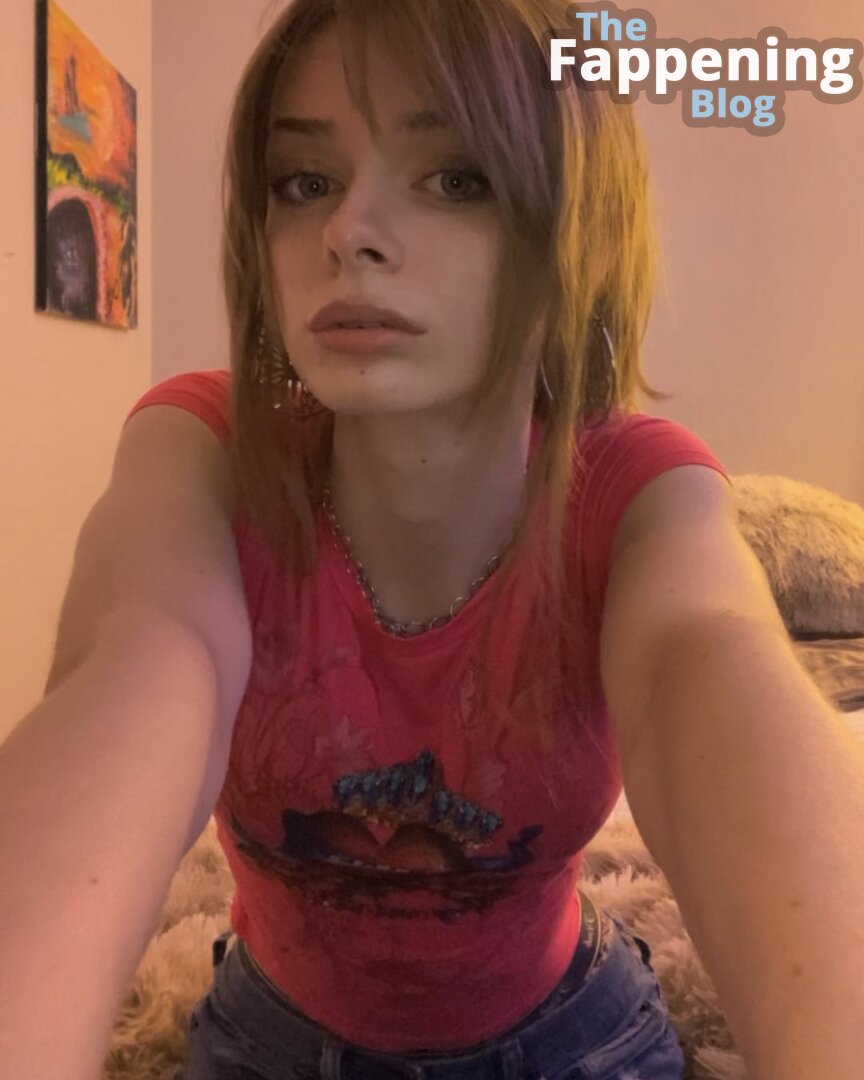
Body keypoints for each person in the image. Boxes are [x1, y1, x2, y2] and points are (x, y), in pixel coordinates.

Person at [1, 1, 862, 1078]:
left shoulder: (644, 494)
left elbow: (710, 661)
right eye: (304, 181)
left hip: (574, 1038)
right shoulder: (202, 454)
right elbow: (132, 662)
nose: (346, 231)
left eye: (456, 178)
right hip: (269, 1037)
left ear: (573, 230)